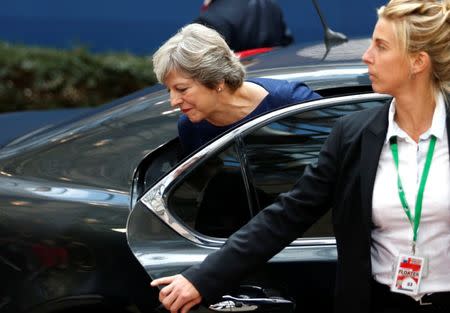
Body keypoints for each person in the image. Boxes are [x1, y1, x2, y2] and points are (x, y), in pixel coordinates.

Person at [151, 0, 450, 312]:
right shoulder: (353, 135)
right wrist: (203, 278)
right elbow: (286, 215)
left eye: (381, 46)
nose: (367, 55)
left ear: (418, 61)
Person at [152, 23, 320, 157]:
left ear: (217, 79)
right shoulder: (190, 127)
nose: (174, 102)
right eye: (169, 91)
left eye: (182, 89)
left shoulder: (290, 100)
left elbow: (341, 145)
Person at [194, 0, 293, 52]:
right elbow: (286, 45)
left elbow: (195, 68)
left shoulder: (210, 19)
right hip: (271, 81)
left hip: (235, 86)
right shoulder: (270, 5)